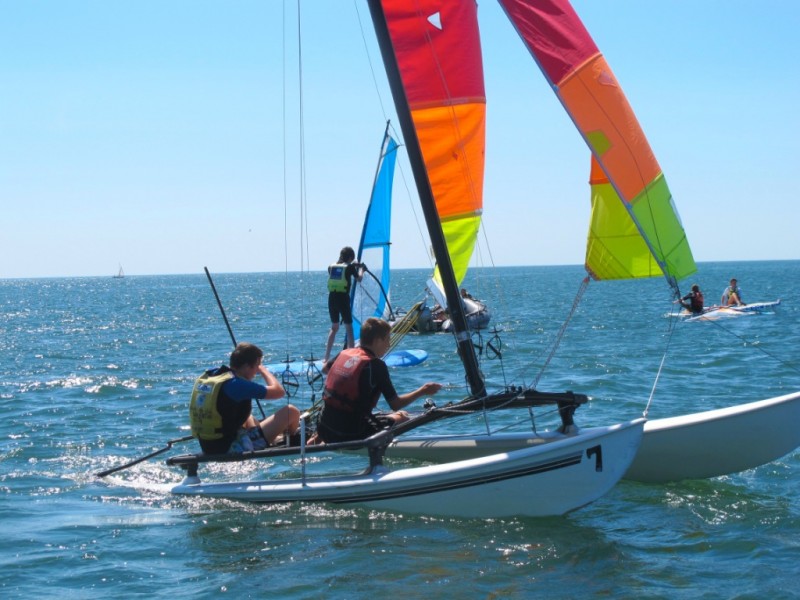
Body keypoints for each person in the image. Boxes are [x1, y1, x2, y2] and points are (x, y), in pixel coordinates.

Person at [315, 317, 442, 443]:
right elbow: (395, 404)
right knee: (402, 416)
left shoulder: (345, 353)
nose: (389, 344)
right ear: (377, 341)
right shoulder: (376, 365)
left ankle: (314, 440)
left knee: (342, 413)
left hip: (323, 427)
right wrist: (423, 390)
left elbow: (326, 368)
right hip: (352, 434)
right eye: (387, 339)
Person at [189, 342, 301, 455]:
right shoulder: (238, 385)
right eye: (256, 366)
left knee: (249, 416)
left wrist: (257, 366)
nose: (256, 371)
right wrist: (264, 371)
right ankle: (289, 440)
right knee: (291, 411)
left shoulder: (215, 376)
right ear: (247, 366)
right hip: (232, 448)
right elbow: (279, 392)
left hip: (209, 445)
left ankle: (266, 437)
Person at [324, 246, 365, 362]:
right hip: (343, 299)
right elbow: (359, 279)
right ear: (351, 257)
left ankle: (326, 357)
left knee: (334, 327)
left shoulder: (331, 267)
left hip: (332, 298)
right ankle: (351, 358)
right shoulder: (350, 267)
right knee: (349, 329)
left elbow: (343, 269)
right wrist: (362, 270)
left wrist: (353, 265)